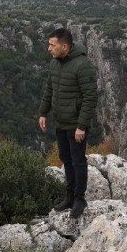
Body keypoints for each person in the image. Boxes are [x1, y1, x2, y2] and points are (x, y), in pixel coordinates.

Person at [38, 28, 98, 219]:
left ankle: (80, 198)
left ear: (64, 46)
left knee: (78, 160)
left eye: (52, 45)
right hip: (61, 122)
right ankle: (70, 196)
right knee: (65, 158)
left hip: (75, 124)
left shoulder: (82, 65)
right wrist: (43, 112)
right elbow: (49, 89)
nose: (49, 49)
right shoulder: (55, 63)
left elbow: (90, 97)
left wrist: (81, 126)